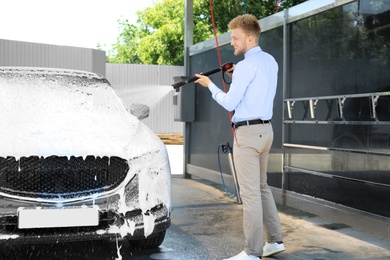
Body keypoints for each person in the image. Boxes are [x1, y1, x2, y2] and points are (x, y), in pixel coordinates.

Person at [194, 14, 285, 260]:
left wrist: (209, 85)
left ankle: (252, 252)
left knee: (250, 193)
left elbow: (230, 102)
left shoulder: (246, 66)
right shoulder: (270, 61)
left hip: (247, 134)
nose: (232, 42)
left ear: (250, 37)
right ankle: (275, 241)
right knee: (262, 187)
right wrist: (237, 77)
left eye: (235, 37)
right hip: (266, 131)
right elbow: (256, 90)